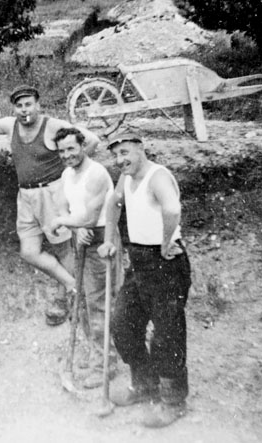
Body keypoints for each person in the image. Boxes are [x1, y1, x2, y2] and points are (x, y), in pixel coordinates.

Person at [0, 85, 99, 326]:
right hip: (25, 197)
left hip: (52, 194)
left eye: (29, 104)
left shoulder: (52, 126)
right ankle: (71, 285)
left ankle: (77, 300)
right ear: (14, 108)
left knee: (63, 249)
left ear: (38, 105)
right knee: (29, 251)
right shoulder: (9, 125)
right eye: (19, 105)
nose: (24, 110)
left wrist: (74, 168)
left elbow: (92, 140)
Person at [97, 130, 191, 429]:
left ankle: (173, 400)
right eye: (116, 154)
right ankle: (145, 384)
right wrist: (110, 239)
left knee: (166, 334)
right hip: (138, 263)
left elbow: (173, 208)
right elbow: (113, 203)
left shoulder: (158, 176)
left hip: (165, 264)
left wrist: (166, 242)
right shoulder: (126, 178)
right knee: (123, 324)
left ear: (141, 149)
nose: (119, 158)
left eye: (125, 151)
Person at [47, 127, 115, 389]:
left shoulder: (96, 174)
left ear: (83, 146)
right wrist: (75, 226)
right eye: (62, 151)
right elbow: (64, 206)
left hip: (100, 237)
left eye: (71, 149)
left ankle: (104, 364)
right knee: (84, 300)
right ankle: (96, 352)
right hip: (81, 236)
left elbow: (89, 216)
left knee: (98, 302)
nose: (67, 155)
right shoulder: (67, 173)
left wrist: (66, 222)